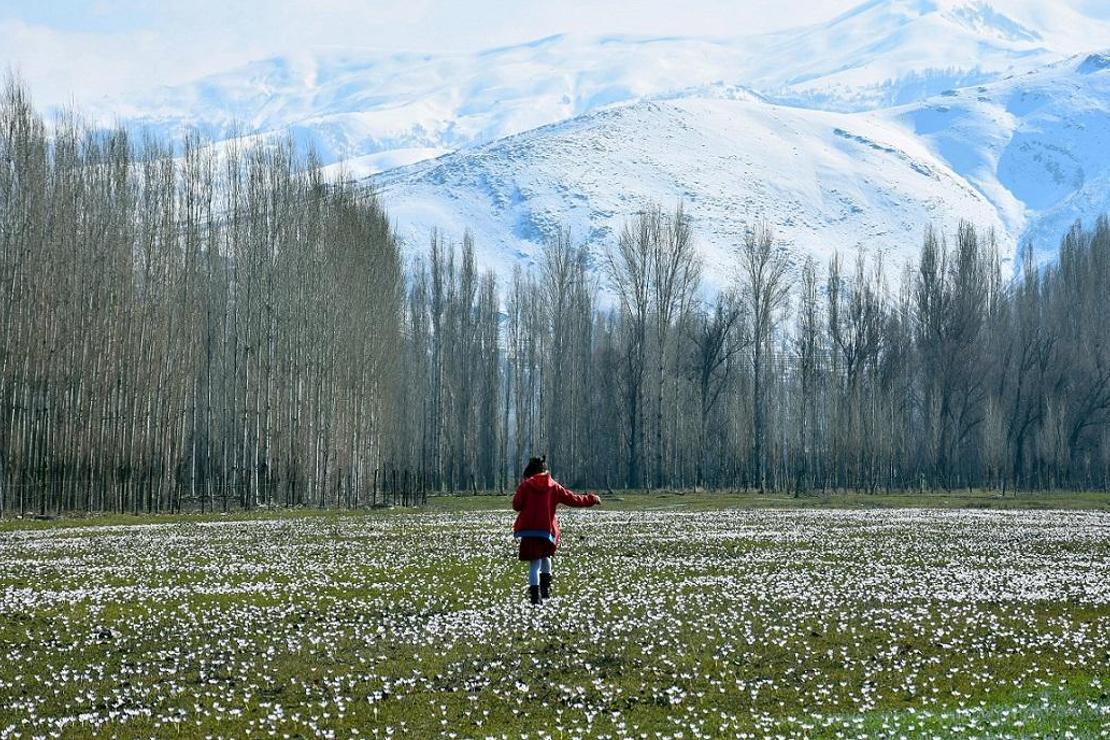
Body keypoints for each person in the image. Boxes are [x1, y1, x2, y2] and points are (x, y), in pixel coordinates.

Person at [512, 455, 600, 605]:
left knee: (534, 564)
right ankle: (545, 590)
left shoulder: (525, 486)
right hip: (546, 531)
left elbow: (516, 505)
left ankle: (535, 597)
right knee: (546, 557)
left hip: (529, 531)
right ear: (545, 470)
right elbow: (573, 499)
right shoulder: (554, 486)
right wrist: (591, 499)